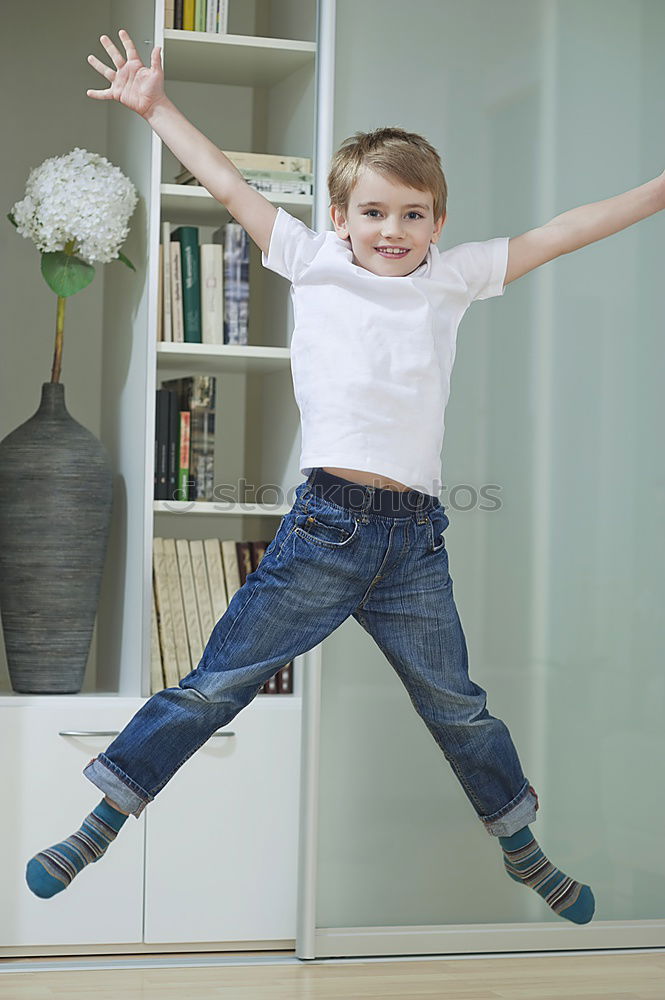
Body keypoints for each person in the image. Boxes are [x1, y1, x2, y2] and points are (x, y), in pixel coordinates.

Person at [25, 29, 665, 923]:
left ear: (438, 222)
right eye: (373, 212)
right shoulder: (311, 262)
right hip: (325, 530)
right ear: (341, 219)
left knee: (459, 706)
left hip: (414, 545)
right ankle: (103, 820)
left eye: (412, 214)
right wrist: (155, 105)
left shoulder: (454, 278)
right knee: (214, 684)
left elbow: (563, 231)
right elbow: (228, 184)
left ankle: (520, 845)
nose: (392, 231)